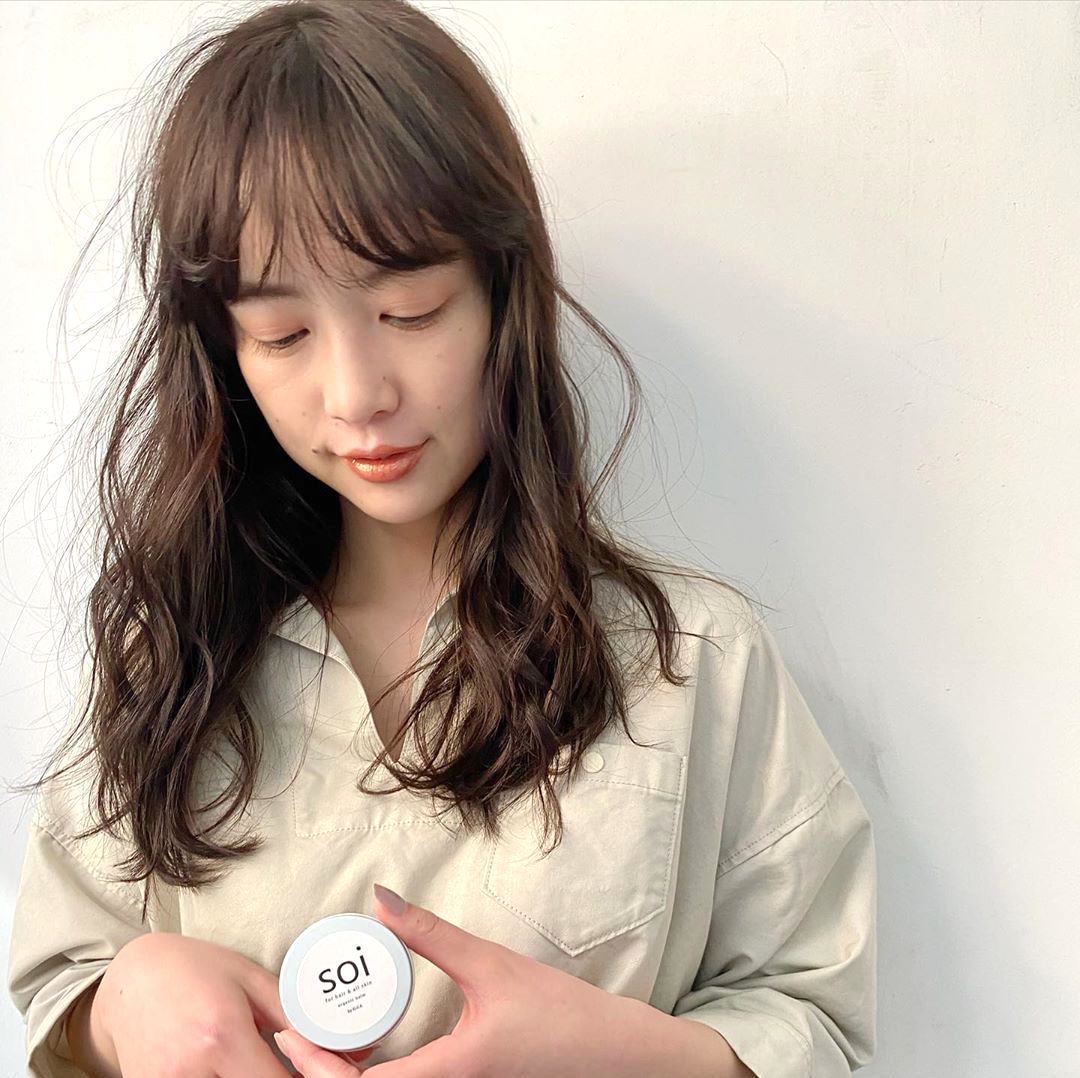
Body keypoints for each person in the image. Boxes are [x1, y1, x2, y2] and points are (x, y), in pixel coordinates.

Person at [5, 1, 877, 1076]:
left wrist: (631, 1055)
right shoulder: (170, 651)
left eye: (411, 311)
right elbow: (63, 974)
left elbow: (818, 1012)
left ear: (503, 295)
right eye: (281, 333)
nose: (357, 394)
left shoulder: (692, 663)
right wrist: (125, 999)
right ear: (225, 351)